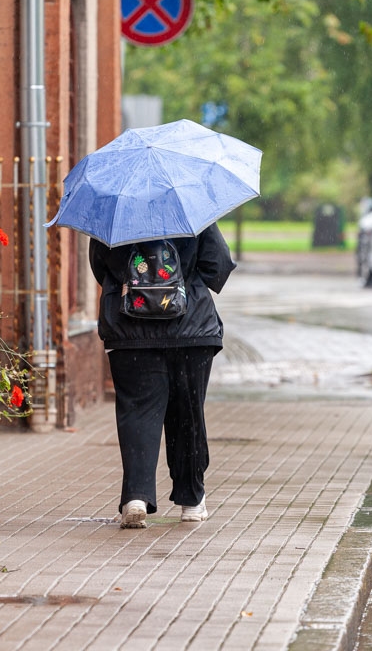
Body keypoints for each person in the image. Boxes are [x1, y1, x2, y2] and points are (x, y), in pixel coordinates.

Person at [89, 223, 236, 528]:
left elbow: (100, 268)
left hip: (131, 333)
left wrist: (138, 285)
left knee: (137, 413)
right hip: (190, 330)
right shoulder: (191, 212)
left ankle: (136, 497)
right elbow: (217, 267)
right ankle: (191, 500)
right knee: (188, 414)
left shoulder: (114, 217)